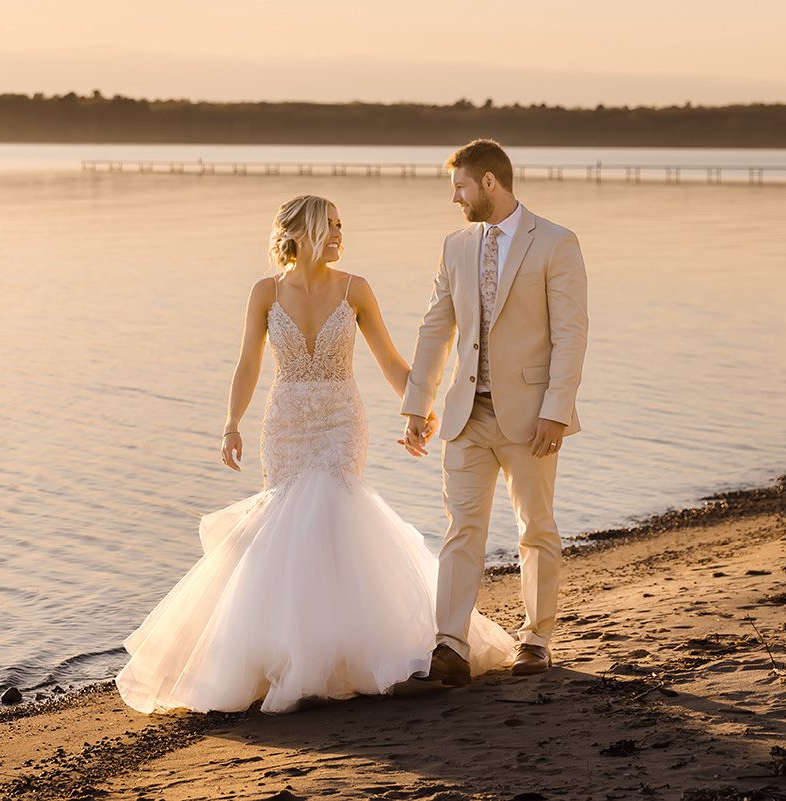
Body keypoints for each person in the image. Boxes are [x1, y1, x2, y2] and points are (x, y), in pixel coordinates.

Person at [115, 195, 516, 714]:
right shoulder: (265, 292)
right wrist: (230, 424)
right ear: (302, 230)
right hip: (285, 424)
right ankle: (290, 652)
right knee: (287, 527)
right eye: (329, 226)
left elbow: (391, 360)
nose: (338, 234)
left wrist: (417, 409)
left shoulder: (356, 289)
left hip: (340, 422)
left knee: (332, 514)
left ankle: (350, 651)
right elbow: (247, 365)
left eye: (340, 225)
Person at [396, 138, 588, 691]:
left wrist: (556, 411)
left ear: (488, 182)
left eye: (459, 187)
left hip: (531, 417)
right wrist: (418, 404)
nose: (454, 198)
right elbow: (437, 326)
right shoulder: (455, 245)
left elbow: (571, 336)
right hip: (465, 416)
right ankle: (450, 645)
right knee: (462, 530)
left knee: (536, 529)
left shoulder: (555, 242)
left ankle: (536, 640)